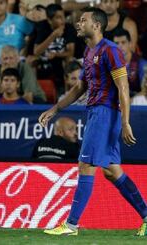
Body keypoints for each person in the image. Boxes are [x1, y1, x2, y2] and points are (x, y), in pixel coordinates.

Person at [40, 7, 147, 236]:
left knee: (86, 165)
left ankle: (71, 225)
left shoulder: (111, 51)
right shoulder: (89, 52)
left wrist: (126, 122)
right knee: (111, 170)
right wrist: (56, 108)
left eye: (83, 20)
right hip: (96, 112)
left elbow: (123, 87)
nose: (78, 24)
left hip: (105, 113)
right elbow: (80, 87)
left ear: (96, 25)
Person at [33, 3, 76, 92]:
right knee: (31, 60)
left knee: (70, 60)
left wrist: (56, 54)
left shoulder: (69, 28)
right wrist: (53, 35)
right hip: (44, 60)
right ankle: (34, 91)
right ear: (49, 20)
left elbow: (70, 52)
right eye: (58, 18)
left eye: (63, 16)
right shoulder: (42, 26)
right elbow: (36, 52)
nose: (63, 20)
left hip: (60, 60)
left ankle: (67, 92)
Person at [113, 29, 147, 96]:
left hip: (136, 102)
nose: (120, 46)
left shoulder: (142, 64)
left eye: (123, 42)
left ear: (130, 44)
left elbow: (145, 91)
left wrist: (130, 100)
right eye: (116, 43)